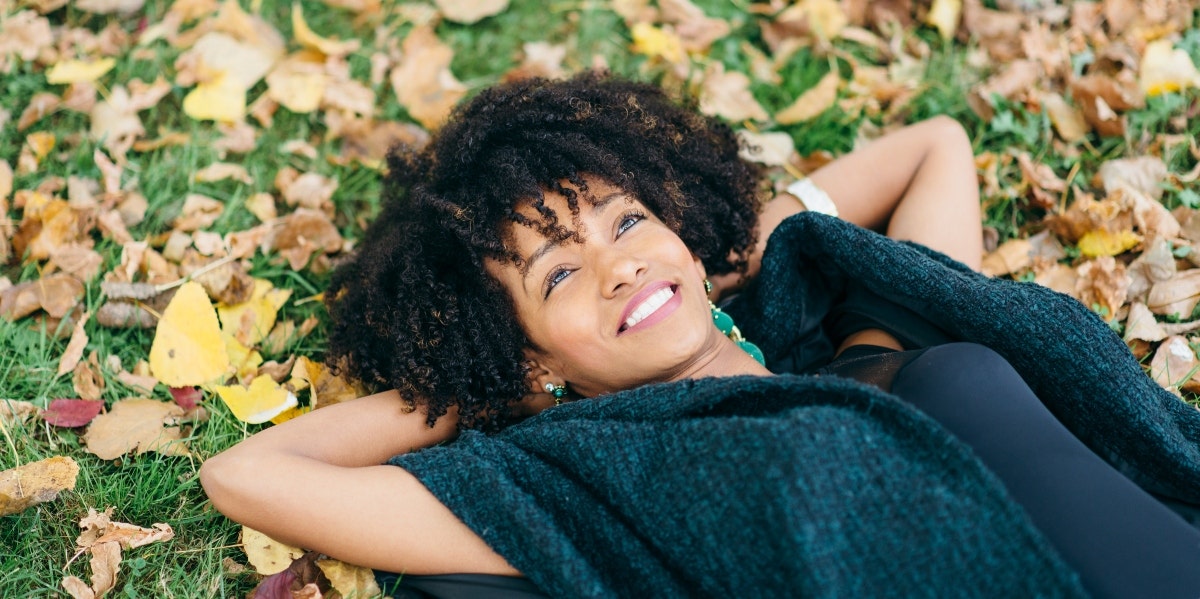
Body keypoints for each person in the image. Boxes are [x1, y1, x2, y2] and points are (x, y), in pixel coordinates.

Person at [200, 73, 1200, 598]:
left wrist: (714, 256)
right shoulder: (577, 480)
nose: (615, 264)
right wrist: (498, 382)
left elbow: (930, 146)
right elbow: (248, 474)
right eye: (559, 274)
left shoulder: (855, 323)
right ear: (533, 351)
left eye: (625, 220)